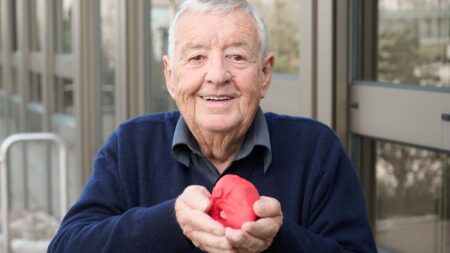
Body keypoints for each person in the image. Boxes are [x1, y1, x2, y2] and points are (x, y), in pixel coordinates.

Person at [48, 0, 377, 252]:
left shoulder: (315, 148)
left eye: (236, 56)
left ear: (264, 74)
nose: (217, 75)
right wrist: (171, 222)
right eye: (196, 58)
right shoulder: (131, 145)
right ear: (170, 76)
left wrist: (279, 239)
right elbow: (66, 245)